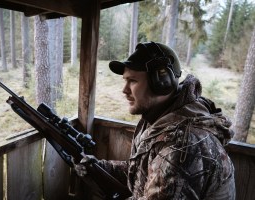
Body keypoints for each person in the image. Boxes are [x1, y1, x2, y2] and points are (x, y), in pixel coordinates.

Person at [74, 41, 236, 200]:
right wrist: (100, 167)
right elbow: (140, 171)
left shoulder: (183, 145)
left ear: (161, 82)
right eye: (125, 80)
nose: (124, 90)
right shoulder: (155, 120)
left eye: (133, 81)